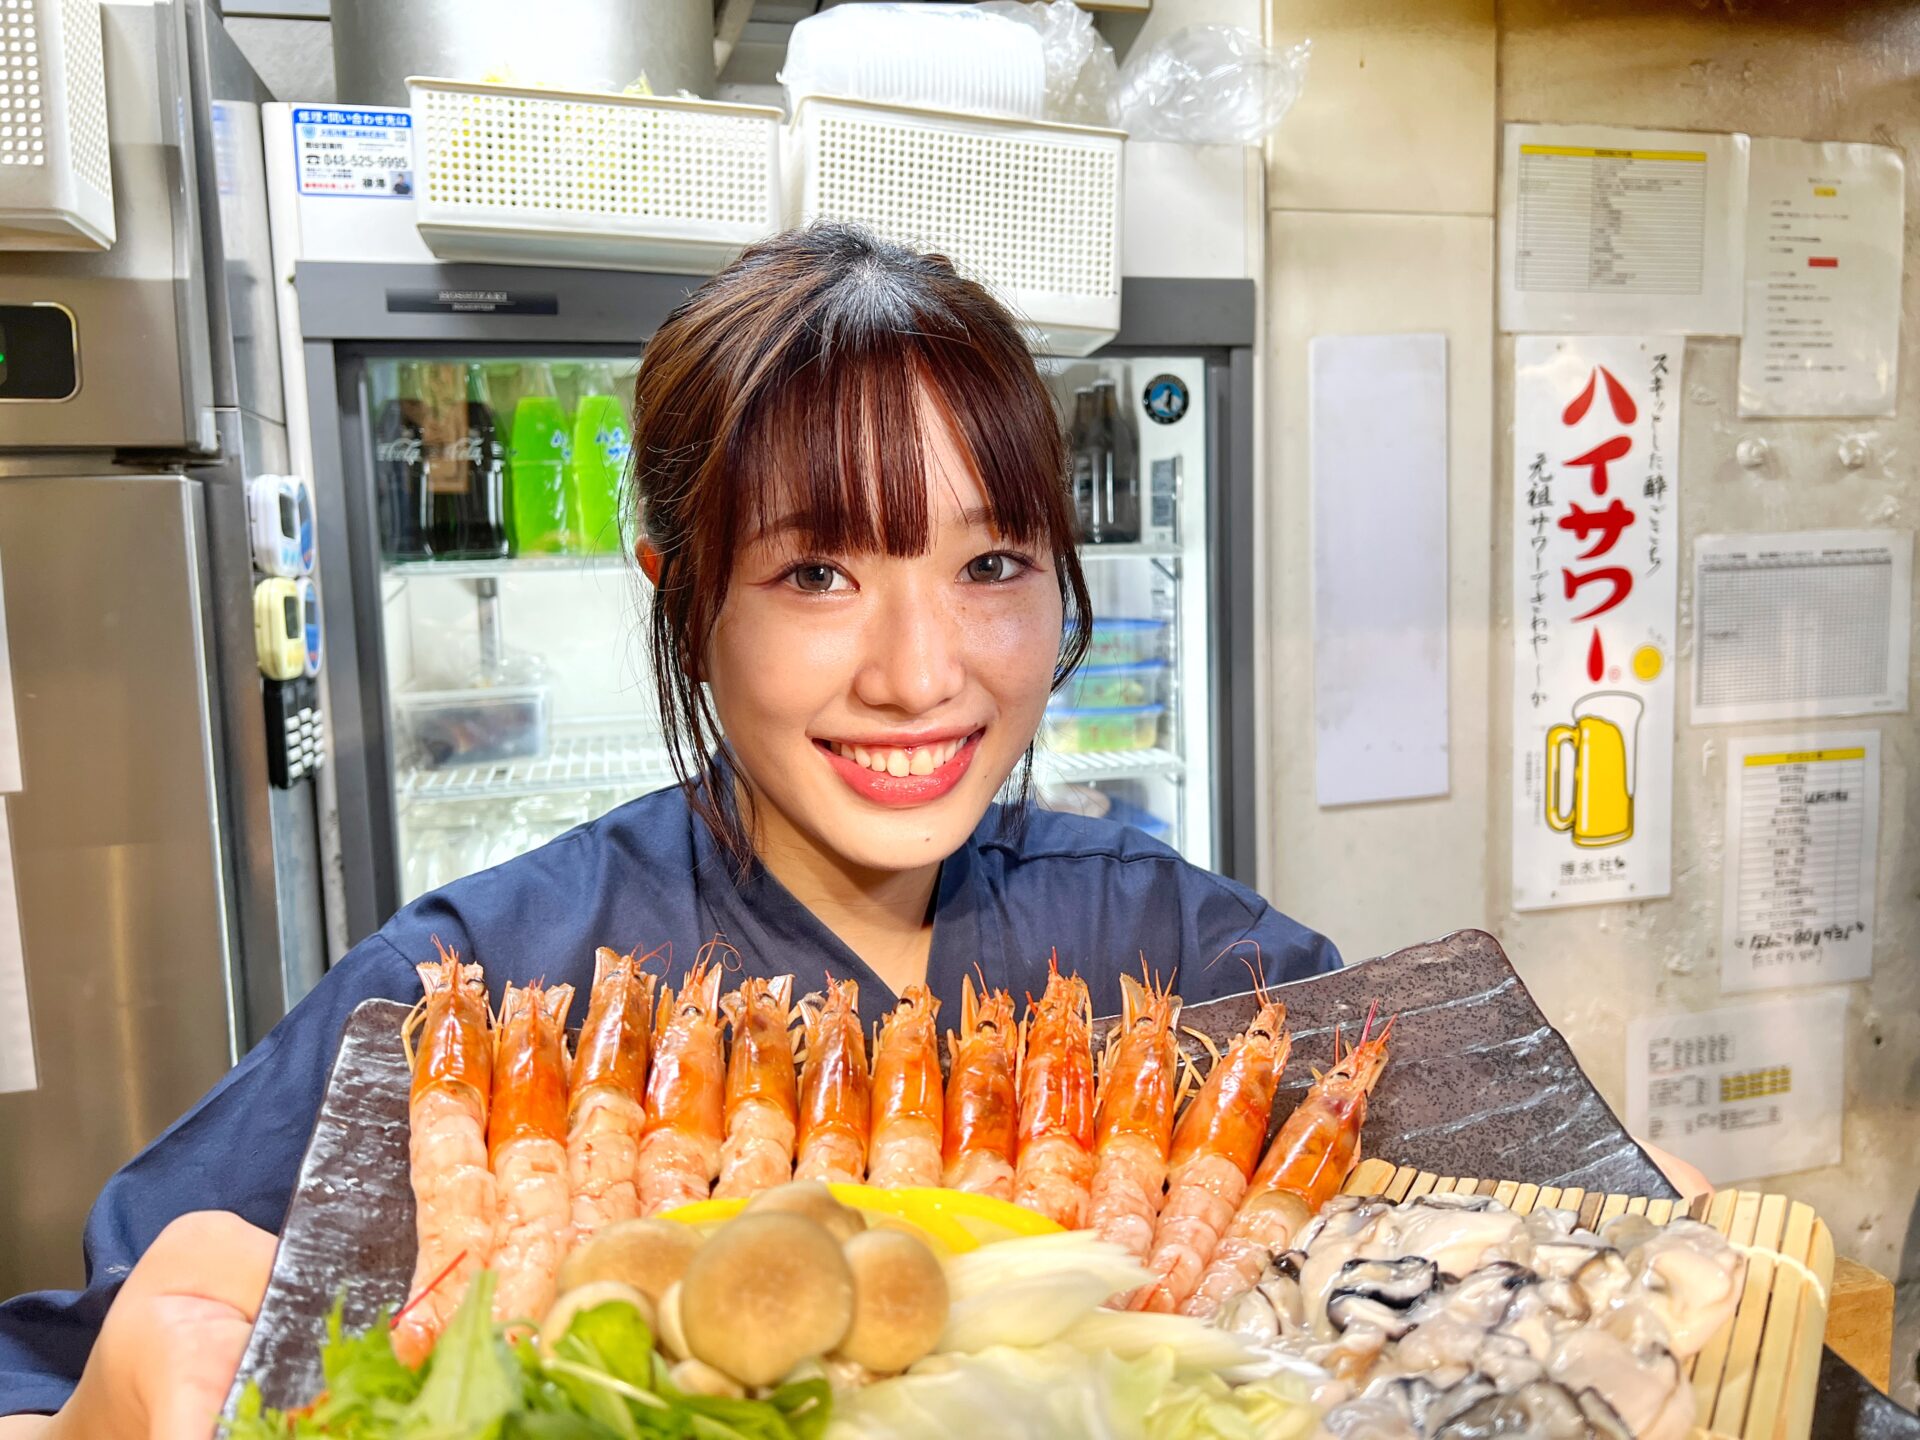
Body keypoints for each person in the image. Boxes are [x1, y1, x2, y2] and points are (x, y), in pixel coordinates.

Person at [0, 225, 1339, 1434]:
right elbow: (45, 1375)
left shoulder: (1188, 949)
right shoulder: (476, 975)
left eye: (991, 565)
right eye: (818, 573)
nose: (920, 675)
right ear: (686, 602)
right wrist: (100, 1418)